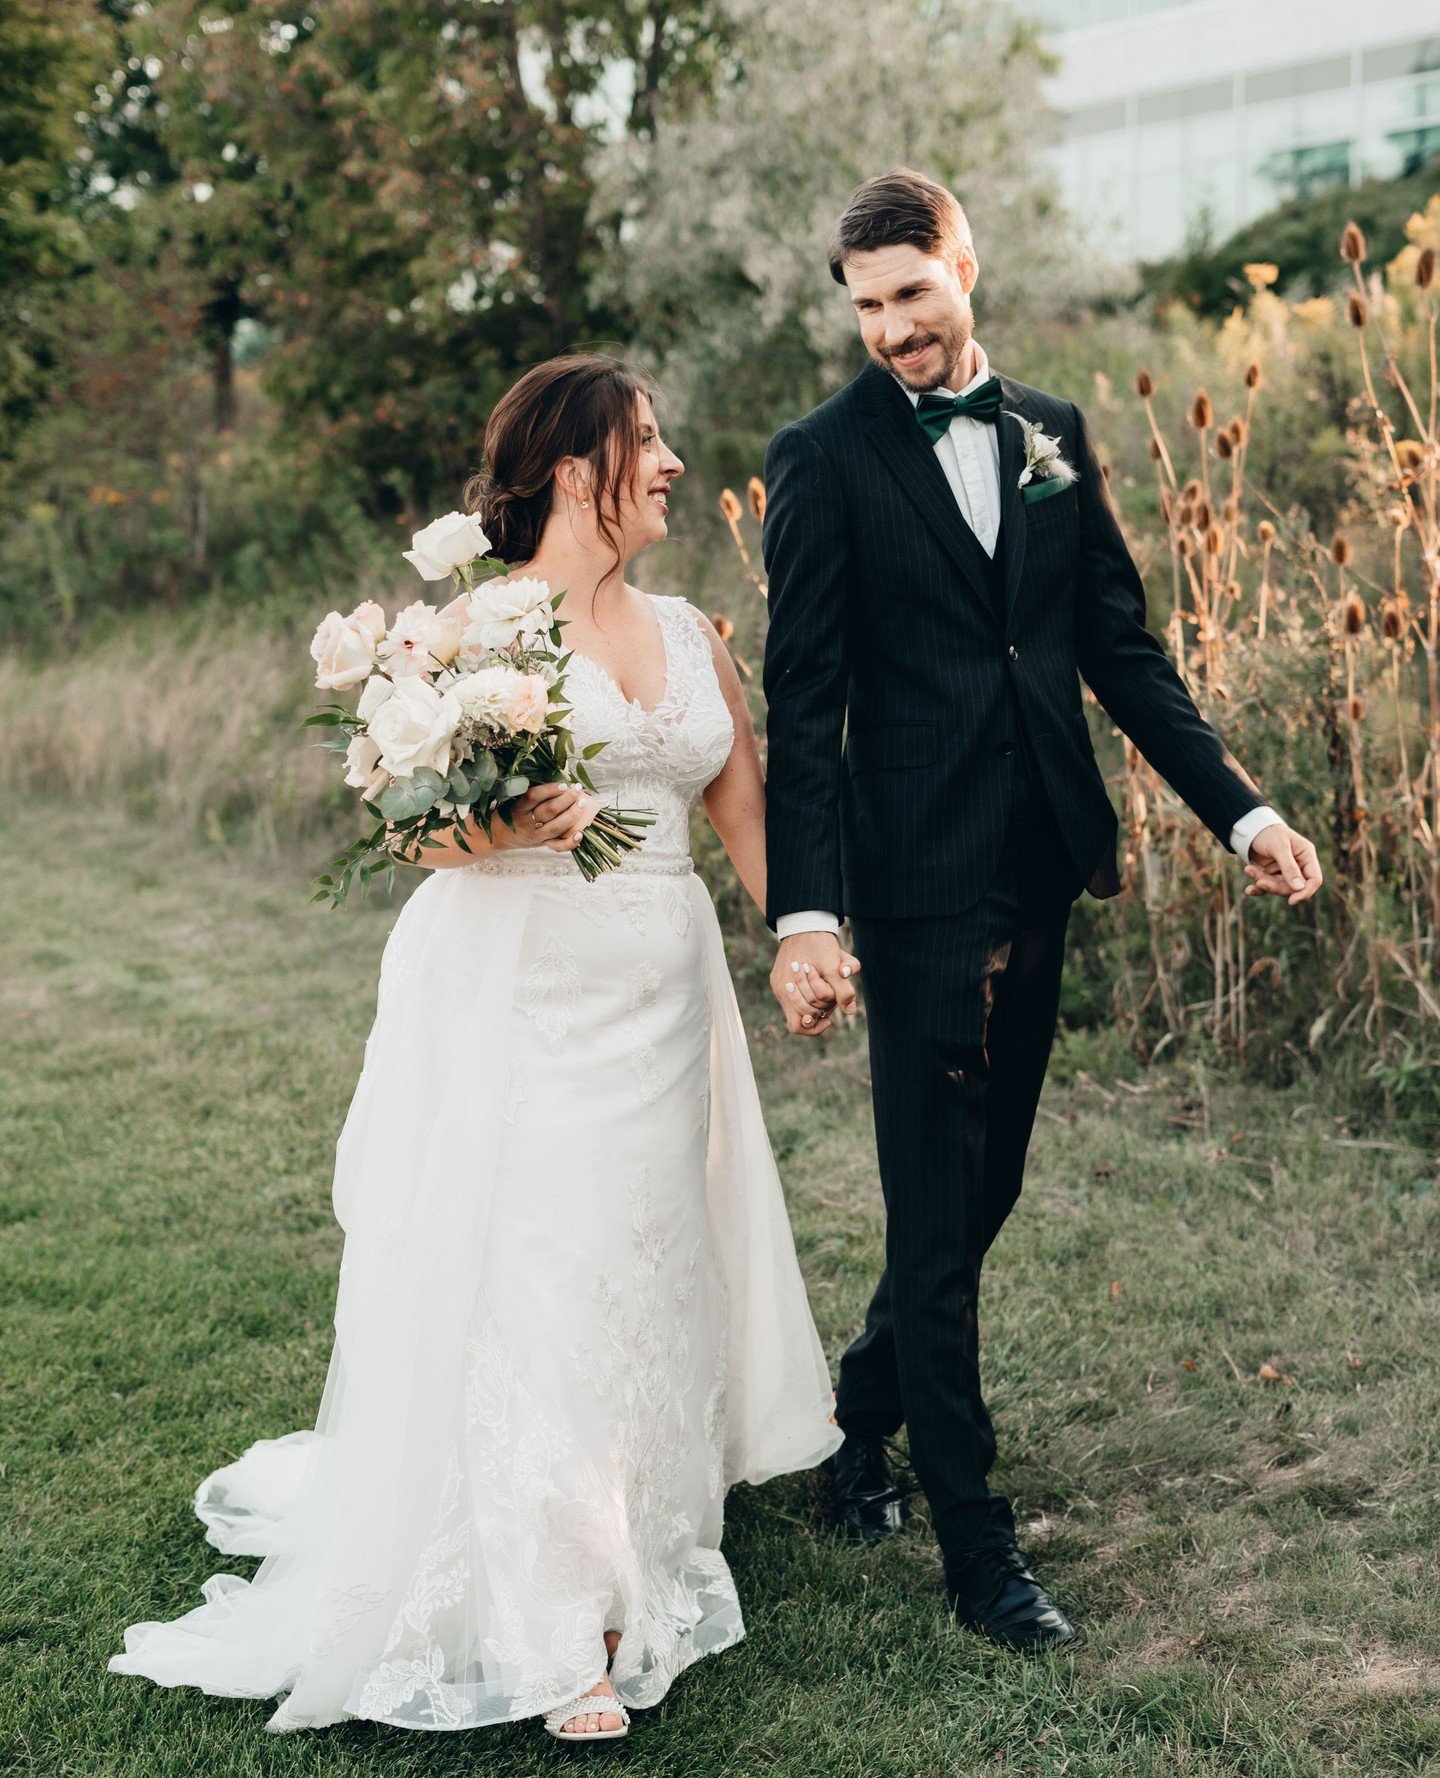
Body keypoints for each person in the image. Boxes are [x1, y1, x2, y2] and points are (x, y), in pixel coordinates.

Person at [109, 354, 843, 1742]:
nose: (675, 460)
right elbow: (407, 824)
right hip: (523, 990)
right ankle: (556, 1616)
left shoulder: (695, 631)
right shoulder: (476, 632)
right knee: (541, 1276)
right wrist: (501, 825)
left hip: (665, 991)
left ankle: (636, 1538)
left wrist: (798, 936)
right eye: (649, 437)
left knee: (649, 1257)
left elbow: (749, 804)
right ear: (578, 468)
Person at [761, 169, 1323, 1653]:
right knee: (937, 1208)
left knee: (983, 1188)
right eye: (866, 306)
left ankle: (855, 1417)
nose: (891, 331)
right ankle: (977, 1546)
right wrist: (803, 912)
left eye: (911, 294)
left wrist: (1245, 811)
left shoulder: (1052, 436)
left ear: (966, 267)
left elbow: (1121, 655)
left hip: (1042, 859)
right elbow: (802, 701)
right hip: (917, 883)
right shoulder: (819, 461)